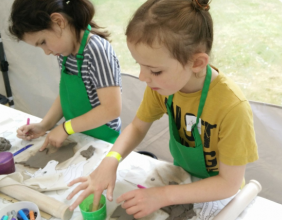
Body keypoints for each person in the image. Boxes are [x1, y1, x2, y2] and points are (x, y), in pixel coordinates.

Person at [67, 0, 258, 218]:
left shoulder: (233, 108)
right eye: (140, 65)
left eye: (155, 71)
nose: (142, 77)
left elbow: (228, 184)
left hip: (220, 195)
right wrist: (111, 160)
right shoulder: (164, 86)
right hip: (183, 177)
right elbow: (138, 127)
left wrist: (163, 195)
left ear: (197, 63)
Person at [9, 0, 122, 149]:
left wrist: (65, 128)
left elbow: (111, 110)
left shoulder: (97, 50)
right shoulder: (64, 52)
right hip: (80, 134)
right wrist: (44, 125)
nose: (47, 51)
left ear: (58, 21)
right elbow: (67, 95)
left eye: (43, 42)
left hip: (103, 141)